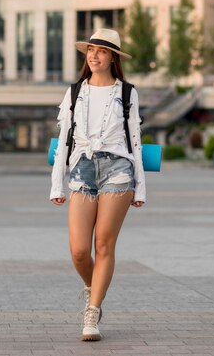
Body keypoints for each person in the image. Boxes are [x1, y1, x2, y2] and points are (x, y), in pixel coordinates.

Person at [50, 29, 146, 341]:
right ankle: (95, 289)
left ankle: (92, 314)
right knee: (79, 251)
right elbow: (64, 142)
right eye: (90, 50)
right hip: (82, 169)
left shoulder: (128, 93)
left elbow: (135, 143)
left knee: (103, 245)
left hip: (118, 170)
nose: (94, 55)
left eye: (101, 51)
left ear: (113, 58)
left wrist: (141, 188)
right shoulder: (75, 92)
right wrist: (57, 185)